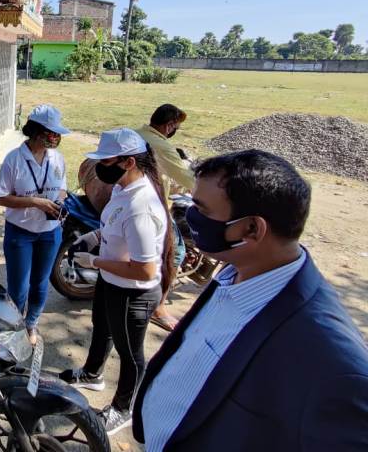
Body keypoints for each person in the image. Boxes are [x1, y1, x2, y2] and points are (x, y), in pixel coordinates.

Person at [133, 150, 368, 451]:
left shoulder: (332, 357)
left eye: (202, 210)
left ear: (252, 229)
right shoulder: (235, 272)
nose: (190, 215)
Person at [59, 128, 175, 436]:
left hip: (132, 293)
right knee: (102, 326)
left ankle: (123, 409)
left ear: (128, 162)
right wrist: (94, 237)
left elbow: (146, 271)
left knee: (130, 353)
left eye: (106, 161)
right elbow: (113, 223)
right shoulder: (125, 188)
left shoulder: (141, 208)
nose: (100, 167)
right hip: (112, 282)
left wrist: (94, 261)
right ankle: (92, 373)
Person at [0, 104, 69, 345]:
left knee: (40, 283)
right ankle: (13, 327)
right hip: (20, 233)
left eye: (57, 134)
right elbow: (2, 198)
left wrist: (58, 201)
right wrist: (35, 202)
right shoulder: (14, 160)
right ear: (35, 131)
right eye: (51, 133)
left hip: (50, 232)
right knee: (18, 288)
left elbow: (62, 189)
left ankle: (31, 323)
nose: (56, 138)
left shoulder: (58, 159)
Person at [135, 103, 195, 332]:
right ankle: (159, 308)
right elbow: (188, 179)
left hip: (128, 195)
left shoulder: (136, 133)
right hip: (151, 205)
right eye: (176, 126)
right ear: (169, 125)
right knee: (177, 251)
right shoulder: (162, 146)